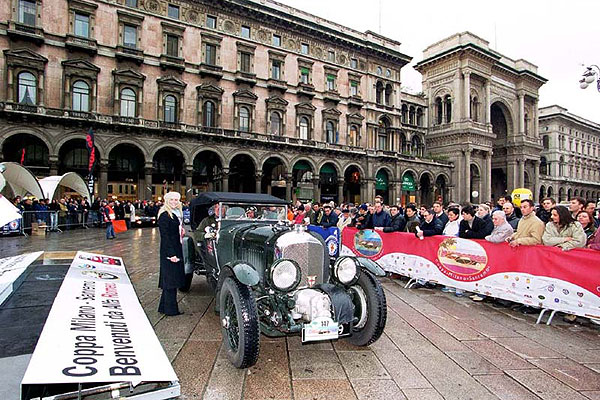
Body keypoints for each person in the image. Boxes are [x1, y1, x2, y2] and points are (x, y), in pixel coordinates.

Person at [157, 191, 186, 316]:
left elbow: (174, 232)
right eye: (171, 200)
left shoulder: (176, 214)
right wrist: (171, 254)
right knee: (171, 280)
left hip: (175, 247)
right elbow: (165, 236)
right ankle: (171, 310)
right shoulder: (165, 215)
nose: (174, 202)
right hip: (170, 250)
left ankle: (163, 307)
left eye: (176, 200)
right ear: (167, 201)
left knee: (170, 279)